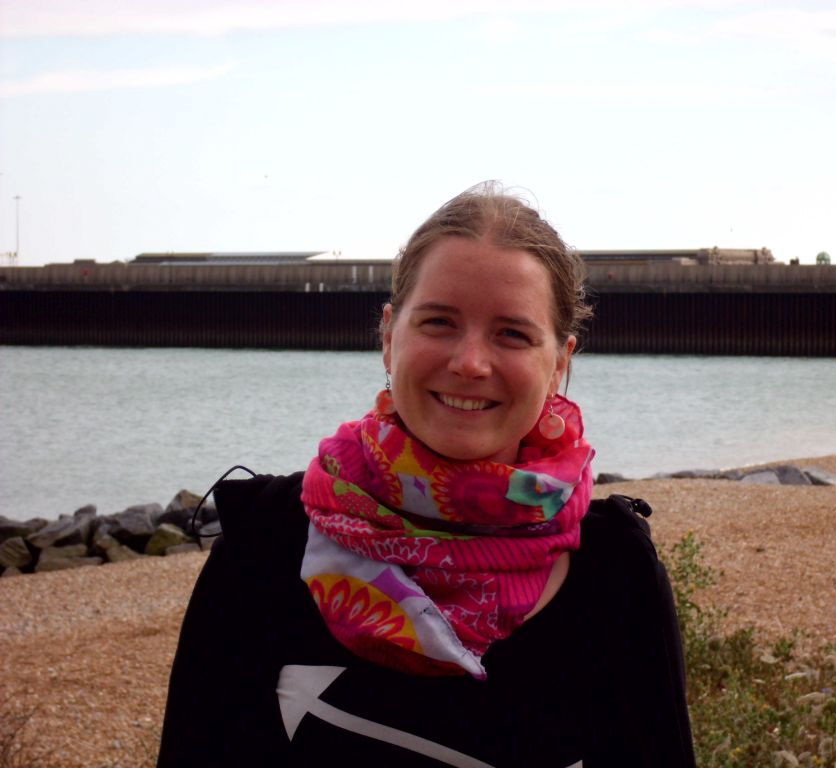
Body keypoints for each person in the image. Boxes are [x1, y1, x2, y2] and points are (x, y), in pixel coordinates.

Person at [158, 183, 696, 767]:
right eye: (439, 322)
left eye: (512, 334)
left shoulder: (615, 575)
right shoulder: (265, 546)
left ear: (559, 364)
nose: (470, 363)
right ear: (389, 337)